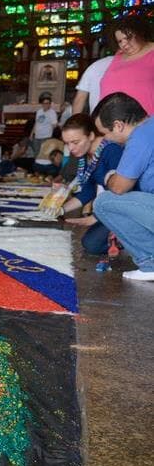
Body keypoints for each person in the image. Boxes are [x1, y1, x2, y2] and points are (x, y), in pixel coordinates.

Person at [91, 92, 154, 281]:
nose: (106, 140)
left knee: (103, 202)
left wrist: (110, 176)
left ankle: (150, 262)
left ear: (118, 125)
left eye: (105, 133)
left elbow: (119, 187)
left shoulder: (140, 137)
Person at [53, 113, 124, 258]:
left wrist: (98, 217)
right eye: (67, 143)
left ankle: (134, 238)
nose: (70, 148)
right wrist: (59, 210)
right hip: (110, 208)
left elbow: (123, 191)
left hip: (126, 208)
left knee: (93, 244)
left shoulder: (111, 150)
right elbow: (88, 191)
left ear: (91, 136)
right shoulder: (86, 156)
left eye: (75, 142)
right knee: (90, 243)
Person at [99, 15, 154, 114]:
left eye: (128, 38)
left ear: (140, 33)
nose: (124, 44)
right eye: (120, 41)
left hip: (146, 122)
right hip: (112, 122)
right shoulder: (119, 55)